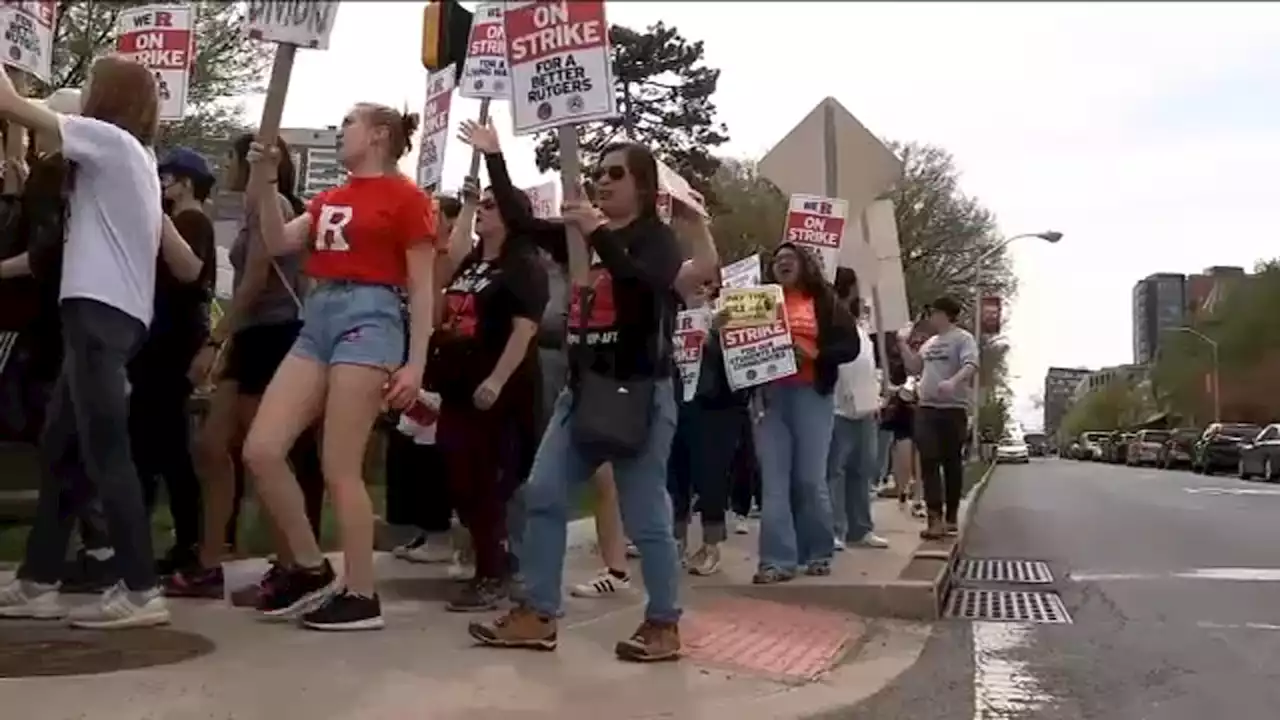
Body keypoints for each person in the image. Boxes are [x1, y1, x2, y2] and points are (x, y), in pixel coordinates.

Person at [458, 120, 702, 662]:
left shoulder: (655, 239)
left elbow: (642, 289)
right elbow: (520, 220)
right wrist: (496, 157)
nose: (602, 181)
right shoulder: (575, 235)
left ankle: (663, 623)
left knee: (646, 516)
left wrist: (597, 233)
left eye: (615, 173)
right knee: (543, 493)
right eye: (597, 172)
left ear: (642, 185)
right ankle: (539, 614)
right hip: (583, 391)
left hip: (638, 391)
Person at [0, 56, 204, 629]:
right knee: (63, 448)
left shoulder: (109, 142)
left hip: (98, 314)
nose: (81, 92)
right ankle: (38, 579)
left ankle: (141, 588)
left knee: (105, 452)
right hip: (112, 317)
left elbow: (12, 106)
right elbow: (185, 266)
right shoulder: (133, 158)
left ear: (110, 95)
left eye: (90, 84)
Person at [240, 104, 437, 632]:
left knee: (340, 465)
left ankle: (361, 592)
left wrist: (415, 363)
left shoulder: (408, 198)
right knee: (261, 448)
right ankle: (308, 566)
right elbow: (279, 241)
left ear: (378, 136)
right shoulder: (331, 197)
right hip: (320, 314)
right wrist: (263, 183)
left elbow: (422, 287)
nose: (338, 131)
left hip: (371, 317)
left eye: (348, 123)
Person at [165, 134, 325, 600]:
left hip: (274, 335)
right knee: (213, 446)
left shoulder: (272, 203)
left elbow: (256, 279)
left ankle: (292, 563)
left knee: (263, 455)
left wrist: (216, 340)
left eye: (234, 157)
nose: (228, 166)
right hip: (251, 335)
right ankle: (210, 560)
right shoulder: (253, 208)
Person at [432, 176, 547, 611]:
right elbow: (442, 273)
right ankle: (495, 561)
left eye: (491, 206)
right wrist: (462, 209)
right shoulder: (474, 261)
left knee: (486, 480)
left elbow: (525, 329)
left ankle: (493, 573)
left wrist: (496, 380)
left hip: (500, 387)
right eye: (480, 204)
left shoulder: (524, 266)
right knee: (459, 473)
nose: (482, 210)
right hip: (458, 381)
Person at [746, 243, 859, 585]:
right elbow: (742, 346)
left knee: (809, 479)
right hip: (771, 397)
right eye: (777, 260)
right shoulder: (759, 302)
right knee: (774, 483)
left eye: (789, 259)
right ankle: (776, 561)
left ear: (804, 265)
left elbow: (850, 346)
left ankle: (818, 551)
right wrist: (727, 328)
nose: (782, 264)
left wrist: (814, 352)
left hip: (812, 395)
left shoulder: (824, 302)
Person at [130, 146, 217, 576]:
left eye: (166, 177)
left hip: (171, 346)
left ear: (184, 182)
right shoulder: (184, 220)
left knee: (162, 450)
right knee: (159, 448)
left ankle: (182, 543)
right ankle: (175, 542)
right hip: (164, 344)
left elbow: (190, 269)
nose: (161, 184)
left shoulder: (191, 219)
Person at [387, 195, 463, 565]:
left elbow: (434, 311)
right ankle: (424, 528)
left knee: (431, 452)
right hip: (419, 361)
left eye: (437, 216)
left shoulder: (451, 260)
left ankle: (440, 533)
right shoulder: (420, 258)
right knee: (408, 448)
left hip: (444, 366)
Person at [667, 279, 750, 575]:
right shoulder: (669, 316)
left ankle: (711, 546)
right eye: (694, 283)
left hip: (716, 408)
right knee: (675, 475)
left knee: (711, 477)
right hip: (678, 403)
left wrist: (714, 335)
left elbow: (741, 359)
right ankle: (675, 541)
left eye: (706, 284)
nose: (699, 289)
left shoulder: (728, 316)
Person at [897, 296, 979, 539]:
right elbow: (914, 367)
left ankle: (951, 515)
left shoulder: (963, 339)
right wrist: (903, 344)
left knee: (951, 462)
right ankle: (935, 518)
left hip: (953, 408)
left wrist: (953, 382)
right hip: (927, 408)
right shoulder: (930, 343)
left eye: (934, 313)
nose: (931, 317)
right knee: (929, 459)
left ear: (945, 314)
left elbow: (971, 364)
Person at [825, 269, 889, 551]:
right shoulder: (829, 323)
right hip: (837, 408)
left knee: (862, 470)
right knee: (835, 472)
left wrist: (876, 395)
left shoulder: (861, 329)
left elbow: (867, 364)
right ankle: (834, 529)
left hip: (865, 408)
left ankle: (860, 528)